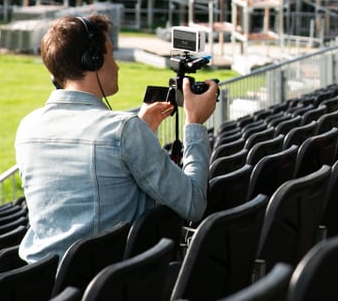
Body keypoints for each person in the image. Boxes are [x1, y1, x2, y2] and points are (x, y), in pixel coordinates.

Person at [15, 14, 218, 264]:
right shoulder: (124, 130)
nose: (117, 65)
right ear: (93, 60)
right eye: (110, 54)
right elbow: (193, 203)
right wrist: (195, 123)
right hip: (108, 286)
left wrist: (142, 128)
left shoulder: (27, 128)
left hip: (45, 288)